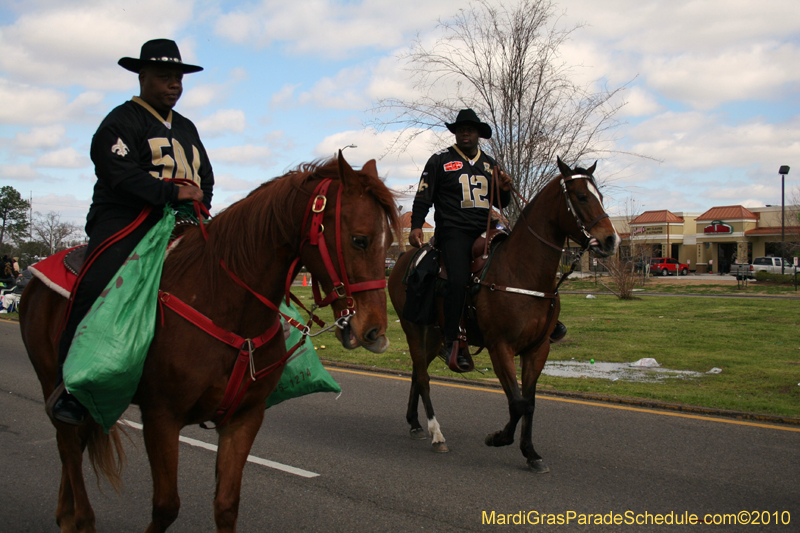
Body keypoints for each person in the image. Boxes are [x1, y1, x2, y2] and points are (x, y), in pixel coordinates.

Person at [47, 39, 214, 425]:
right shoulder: (121, 120)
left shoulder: (187, 127)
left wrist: (196, 202)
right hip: (126, 218)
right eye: (164, 77)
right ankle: (69, 387)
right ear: (142, 77)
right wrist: (170, 191)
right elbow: (118, 174)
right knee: (100, 280)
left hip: (183, 220)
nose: (174, 84)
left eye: (178, 78)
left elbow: (205, 177)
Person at [408, 109, 512, 371]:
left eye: (471, 129)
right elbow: (423, 196)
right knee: (457, 279)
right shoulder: (439, 160)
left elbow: (502, 203)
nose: (466, 133)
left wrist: (505, 190)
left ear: (479, 134)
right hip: (454, 230)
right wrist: (416, 225)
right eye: (461, 129)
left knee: (516, 260)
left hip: (487, 228)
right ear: (455, 132)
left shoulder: (490, 163)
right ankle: (452, 338)